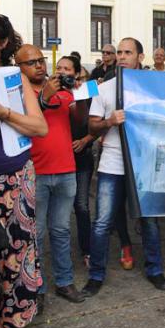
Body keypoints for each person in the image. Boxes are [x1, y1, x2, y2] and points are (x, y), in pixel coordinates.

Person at [0, 13, 47, 328]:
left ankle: (9, 324)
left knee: (14, 254)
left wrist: (5, 113)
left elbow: (40, 127)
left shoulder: (13, 78)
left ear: (2, 43)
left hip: (16, 179)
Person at [82, 37, 165, 297]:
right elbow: (91, 126)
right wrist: (109, 121)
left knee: (150, 221)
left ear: (140, 57)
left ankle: (155, 270)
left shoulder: (154, 88)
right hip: (112, 163)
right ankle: (96, 275)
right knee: (101, 222)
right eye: (118, 52)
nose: (121, 56)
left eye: (127, 52)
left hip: (145, 164)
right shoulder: (105, 89)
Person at [15, 47, 88, 311]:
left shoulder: (62, 90)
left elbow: (80, 122)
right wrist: (44, 98)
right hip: (35, 172)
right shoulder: (19, 94)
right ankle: (38, 288)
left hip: (66, 170)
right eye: (31, 62)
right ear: (19, 66)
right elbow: (24, 123)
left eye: (41, 61)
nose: (38, 66)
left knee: (61, 230)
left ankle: (65, 282)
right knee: (36, 234)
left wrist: (80, 97)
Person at [71, 65, 95, 268]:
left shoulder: (91, 93)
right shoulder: (56, 94)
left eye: (80, 77)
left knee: (81, 205)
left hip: (83, 158)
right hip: (61, 159)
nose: (76, 80)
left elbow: (99, 123)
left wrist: (86, 139)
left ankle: (87, 250)